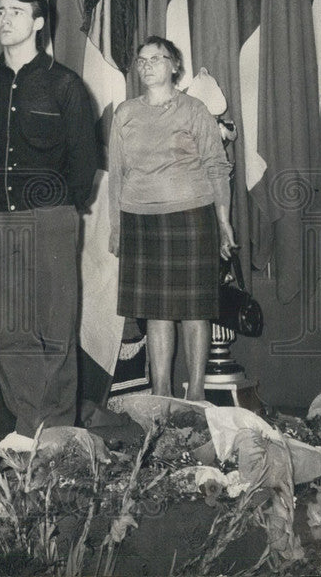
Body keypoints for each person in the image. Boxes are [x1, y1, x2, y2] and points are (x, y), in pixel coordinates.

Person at [0, 0, 99, 452]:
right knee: (13, 327)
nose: (4, 19)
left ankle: (58, 430)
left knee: (55, 326)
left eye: (16, 12)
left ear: (39, 23)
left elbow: (84, 162)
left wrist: (60, 206)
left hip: (51, 219)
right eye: (0, 11)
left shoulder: (65, 85)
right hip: (0, 219)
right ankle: (27, 426)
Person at [108, 36, 236, 401]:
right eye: (141, 60)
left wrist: (223, 222)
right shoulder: (125, 113)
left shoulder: (194, 110)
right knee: (156, 312)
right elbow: (116, 174)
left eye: (156, 58)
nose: (147, 65)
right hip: (140, 221)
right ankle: (161, 396)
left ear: (174, 66)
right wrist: (116, 227)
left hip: (192, 219)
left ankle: (195, 396)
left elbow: (216, 165)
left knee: (196, 311)